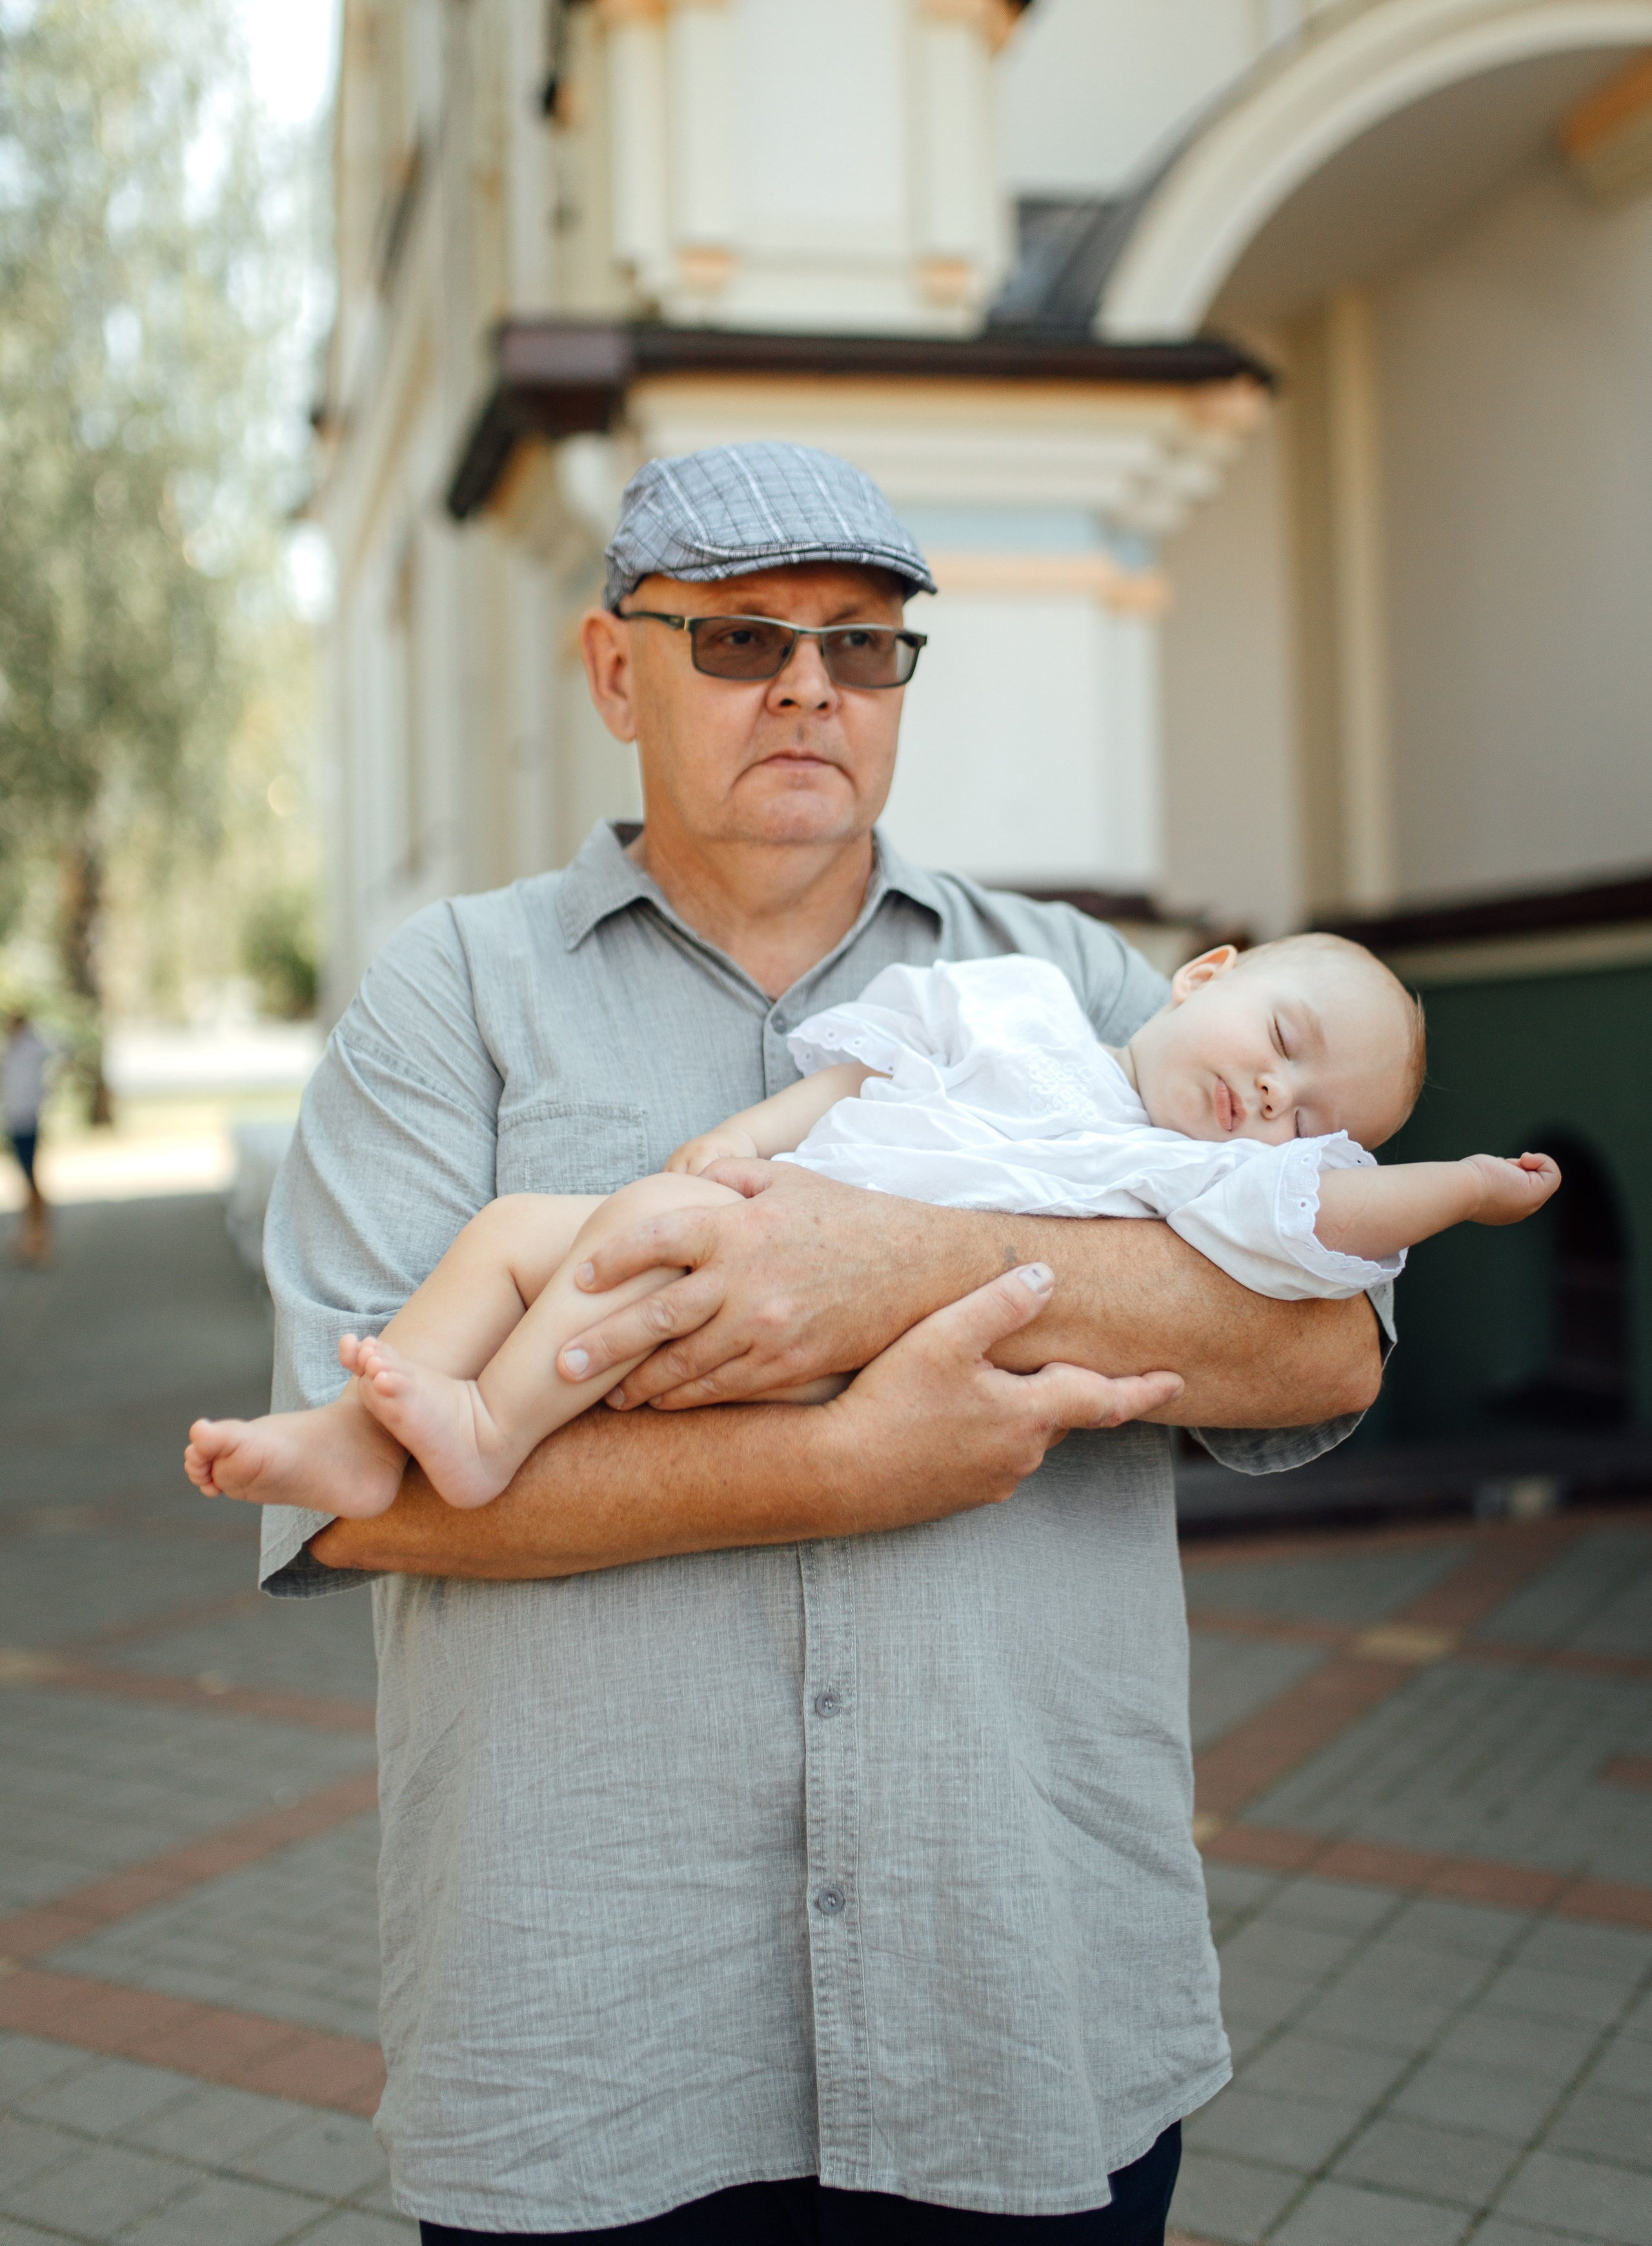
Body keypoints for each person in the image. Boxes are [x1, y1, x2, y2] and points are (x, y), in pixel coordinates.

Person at [260, 441, 1391, 2245]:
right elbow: (350, 1502)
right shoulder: (452, 997)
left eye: (864, 648)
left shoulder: (1086, 988)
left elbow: (1328, 1346)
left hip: (1020, 2006)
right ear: (615, 669)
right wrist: (841, 1467)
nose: (809, 687)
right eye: (740, 640)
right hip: (594, 2036)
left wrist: (899, 1269)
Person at [190, 937, 1558, 1522]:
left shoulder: (1179, 1177)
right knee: (510, 1230)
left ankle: (486, 1436)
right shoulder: (1017, 997)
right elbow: (858, 1080)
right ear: (1204, 974)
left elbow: (1328, 1233)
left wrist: (1458, 1188)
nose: (1273, 1094)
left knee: (629, 1258)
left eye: (1304, 1111)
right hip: (755, 1215)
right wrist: (748, 1139)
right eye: (1281, 1041)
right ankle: (355, 1441)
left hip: (859, 1340)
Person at [3, 1009, 55, 1265]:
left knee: (30, 1179)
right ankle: (30, 1233)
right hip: (14, 1122)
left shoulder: (32, 1048)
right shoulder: (11, 1052)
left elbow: (58, 1048)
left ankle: (38, 1235)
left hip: (28, 1121)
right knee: (25, 1179)